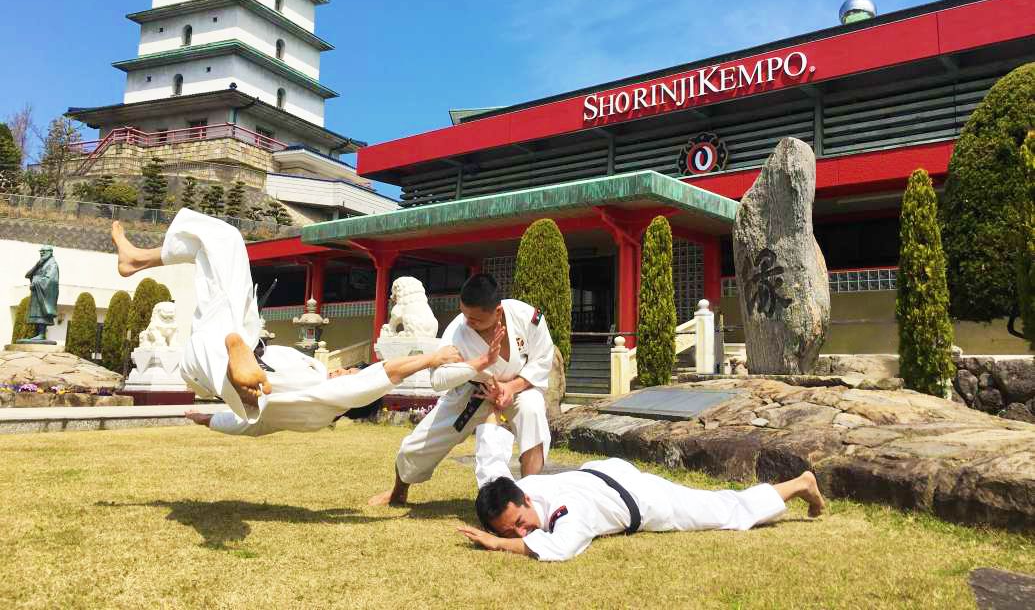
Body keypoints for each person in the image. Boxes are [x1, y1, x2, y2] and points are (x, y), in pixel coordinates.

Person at [111, 208, 460, 437]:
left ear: (358, 394)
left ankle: (238, 360)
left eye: (353, 373)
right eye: (350, 371)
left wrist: (433, 358)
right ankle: (137, 259)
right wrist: (208, 420)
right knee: (225, 241)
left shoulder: (334, 400)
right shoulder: (315, 393)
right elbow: (253, 427)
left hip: (218, 363)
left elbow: (387, 372)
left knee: (229, 350)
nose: (345, 371)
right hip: (236, 343)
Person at [458, 420, 826, 561]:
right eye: (511, 531)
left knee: (724, 510)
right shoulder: (515, 491)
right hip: (603, 475)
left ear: (524, 501)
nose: (524, 531)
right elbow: (490, 471)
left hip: (640, 499)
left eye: (521, 523)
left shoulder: (566, 511)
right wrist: (492, 417)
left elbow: (563, 546)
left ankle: (800, 483)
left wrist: (501, 543)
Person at [369, 273, 554, 506]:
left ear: (497, 311)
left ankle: (531, 495)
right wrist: (480, 363)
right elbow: (438, 378)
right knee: (415, 446)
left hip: (518, 388)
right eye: (464, 313)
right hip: (472, 393)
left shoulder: (527, 317)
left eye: (475, 318)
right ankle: (398, 491)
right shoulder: (458, 330)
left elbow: (541, 360)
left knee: (533, 411)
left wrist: (510, 387)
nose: (467, 321)